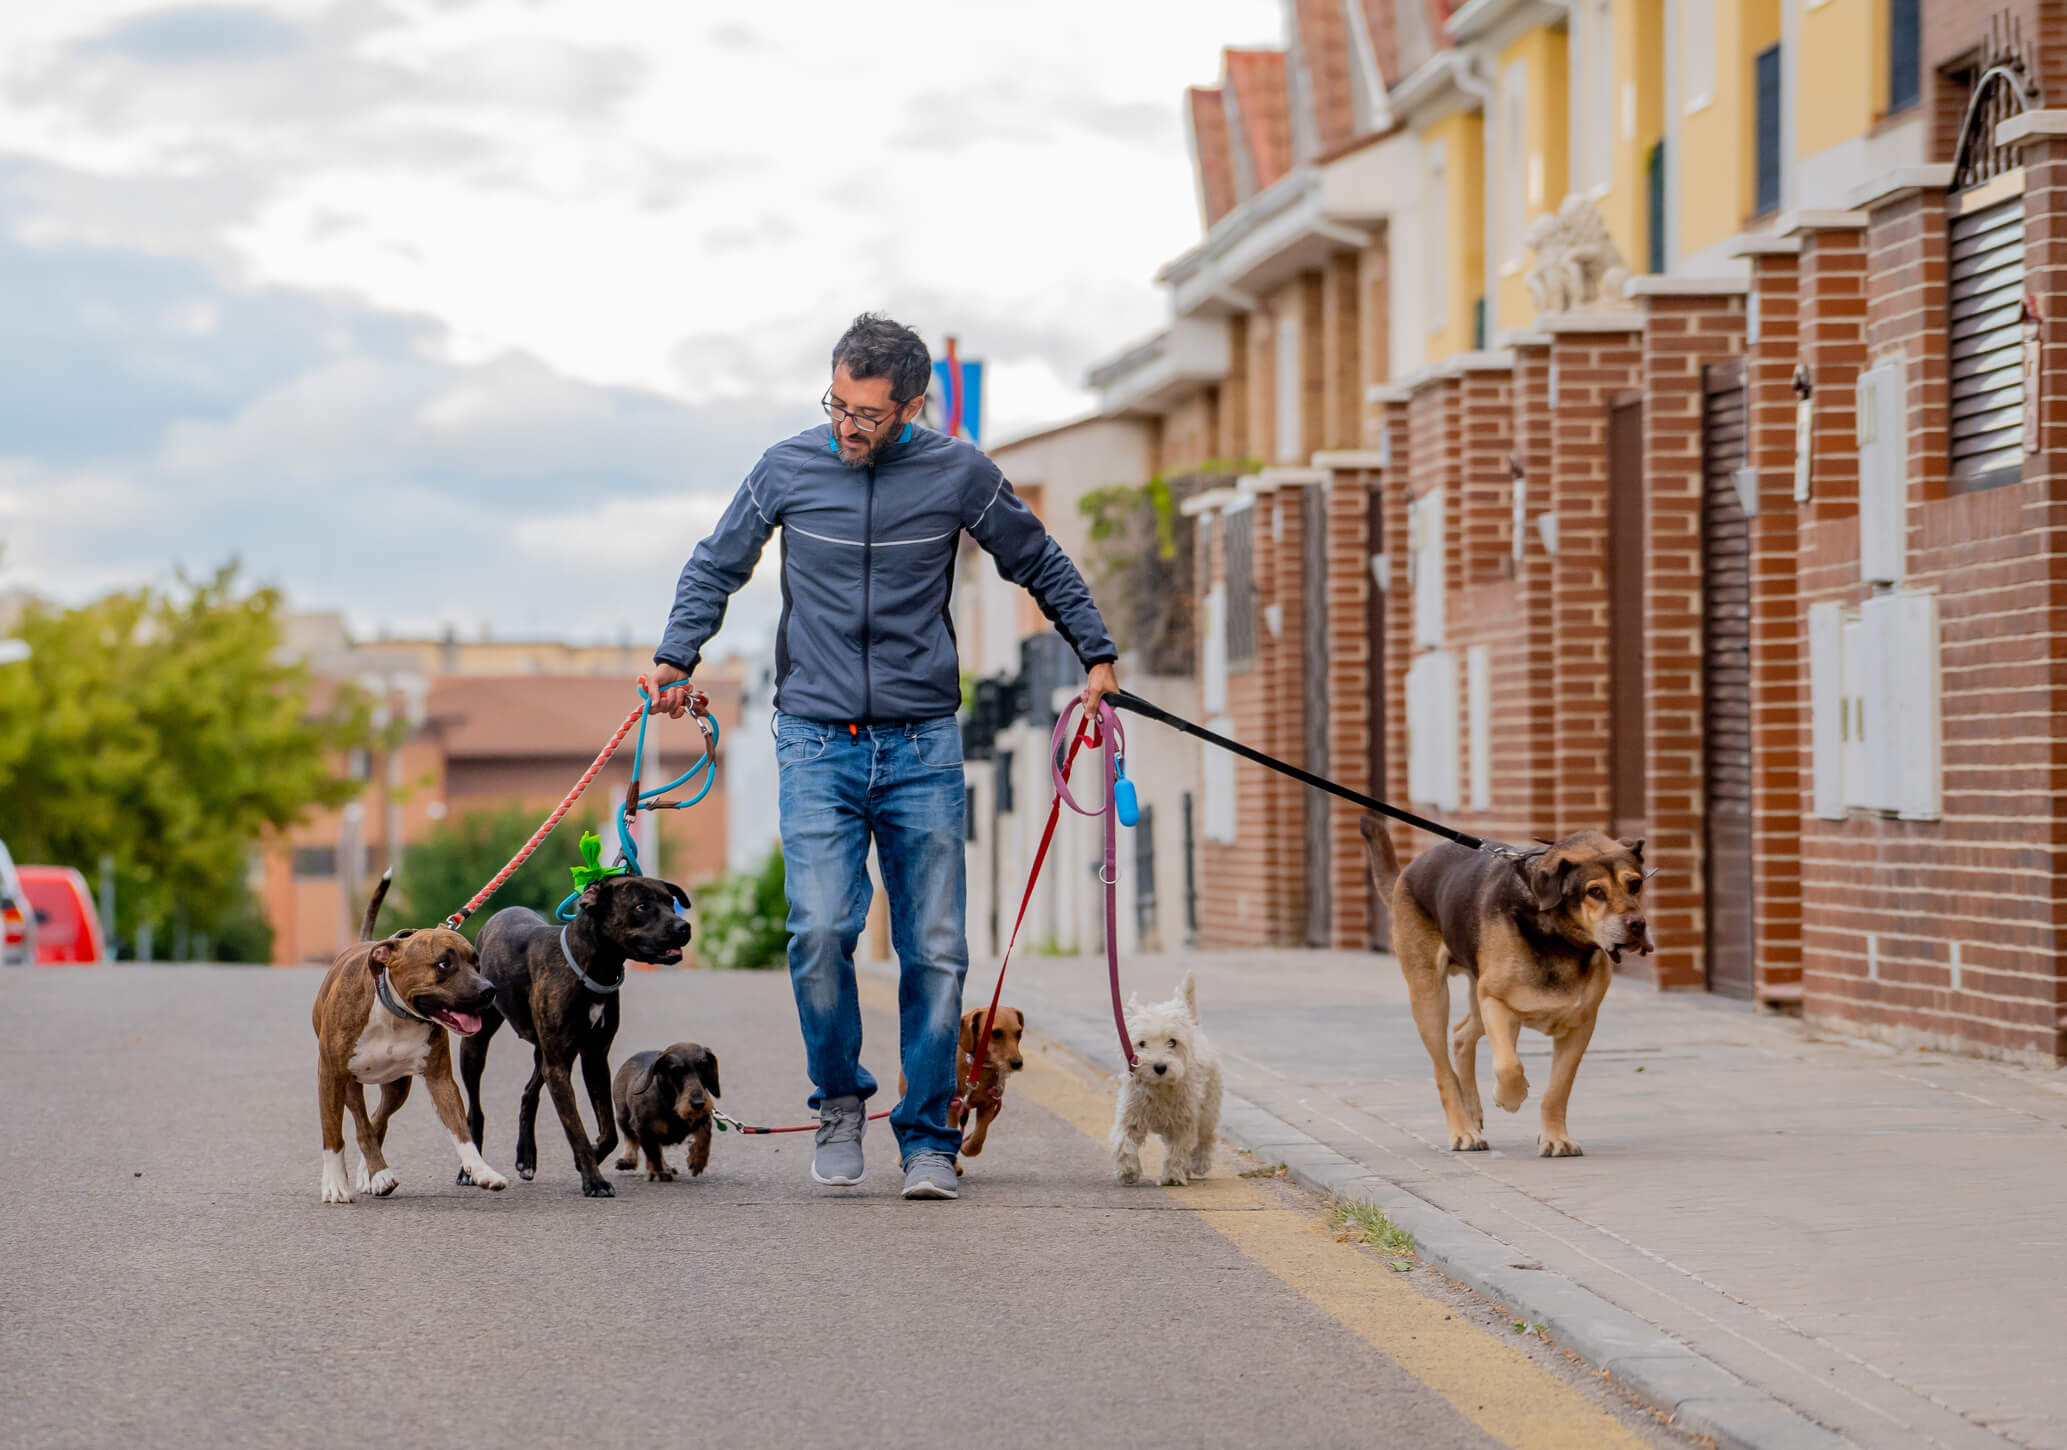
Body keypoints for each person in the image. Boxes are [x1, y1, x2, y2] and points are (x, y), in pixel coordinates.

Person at [649, 314, 1119, 1200]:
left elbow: (1039, 561)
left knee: (934, 949)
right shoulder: (786, 467)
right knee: (820, 931)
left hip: (921, 743)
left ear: (909, 407)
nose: (846, 425)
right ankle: (836, 1102)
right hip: (816, 740)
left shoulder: (958, 474)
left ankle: (928, 1135)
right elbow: (716, 564)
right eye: (837, 403)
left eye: (866, 411)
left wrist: (1094, 653)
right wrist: (678, 655)